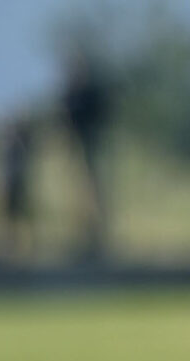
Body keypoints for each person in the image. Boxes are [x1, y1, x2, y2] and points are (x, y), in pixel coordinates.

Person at [58, 48, 110, 259]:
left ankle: (95, 236)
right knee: (73, 193)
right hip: (73, 150)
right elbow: (63, 120)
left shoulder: (91, 93)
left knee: (92, 192)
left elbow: (101, 118)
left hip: (90, 149)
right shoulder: (69, 94)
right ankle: (76, 236)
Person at [0, 111, 37, 259]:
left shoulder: (21, 144)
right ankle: (6, 246)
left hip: (18, 185)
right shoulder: (5, 144)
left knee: (21, 216)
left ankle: (24, 247)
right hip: (8, 184)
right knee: (7, 216)